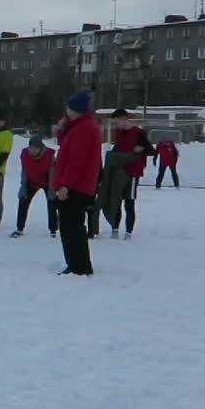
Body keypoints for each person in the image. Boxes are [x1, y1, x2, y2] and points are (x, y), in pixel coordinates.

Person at [52, 91, 102, 276]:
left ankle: (78, 266)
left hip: (76, 186)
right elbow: (66, 147)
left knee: (71, 226)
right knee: (71, 225)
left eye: (68, 107)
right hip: (77, 184)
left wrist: (65, 185)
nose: (65, 111)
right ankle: (77, 264)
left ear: (76, 109)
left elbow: (77, 161)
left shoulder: (84, 128)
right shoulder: (79, 126)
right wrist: (62, 130)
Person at [108, 108, 156, 239]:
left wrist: (141, 149)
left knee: (129, 202)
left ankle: (128, 232)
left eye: (117, 122)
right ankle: (115, 228)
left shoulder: (139, 132)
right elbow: (117, 148)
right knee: (116, 200)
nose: (116, 125)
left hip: (133, 173)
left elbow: (151, 150)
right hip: (119, 172)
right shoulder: (118, 132)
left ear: (124, 119)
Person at [10, 134, 57, 238]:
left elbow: (52, 171)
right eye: (31, 147)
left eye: (36, 148)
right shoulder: (24, 154)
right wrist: (23, 186)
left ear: (41, 148)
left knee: (52, 202)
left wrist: (52, 188)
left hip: (47, 182)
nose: (33, 150)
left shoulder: (49, 154)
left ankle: (53, 230)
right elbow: (24, 171)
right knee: (23, 201)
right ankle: (19, 229)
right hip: (31, 182)